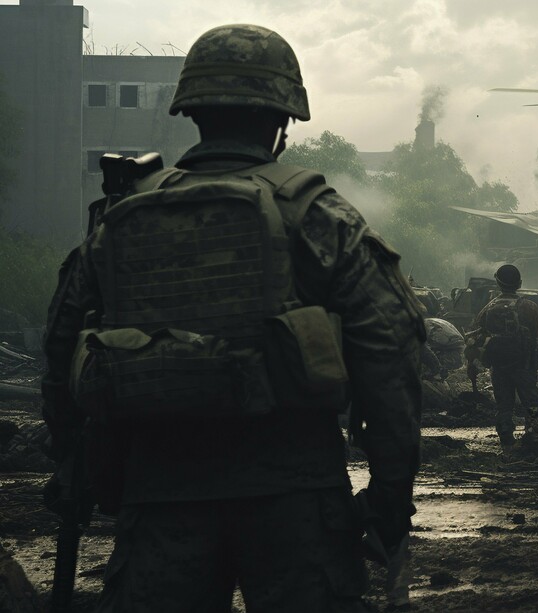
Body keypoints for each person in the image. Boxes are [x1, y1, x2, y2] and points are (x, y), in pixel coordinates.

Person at [40, 24, 425, 612]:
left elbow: (63, 344)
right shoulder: (319, 216)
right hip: (295, 500)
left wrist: (76, 467)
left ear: (190, 110)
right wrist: (390, 500)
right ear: (285, 120)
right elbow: (389, 356)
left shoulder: (122, 219)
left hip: (160, 497)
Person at [465, 264, 538, 447]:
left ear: (497, 283)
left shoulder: (488, 308)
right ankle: (534, 436)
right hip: (524, 364)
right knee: (532, 400)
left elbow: (474, 338)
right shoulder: (529, 306)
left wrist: (470, 364)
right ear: (519, 283)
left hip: (499, 365)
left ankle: (505, 436)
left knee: (504, 403)